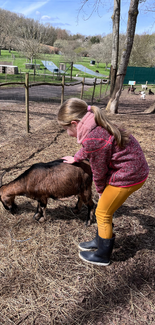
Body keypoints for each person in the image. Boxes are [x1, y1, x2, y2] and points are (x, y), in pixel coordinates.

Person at [57, 98, 149, 266]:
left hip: (129, 177)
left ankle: (102, 255)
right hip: (135, 170)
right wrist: (76, 157)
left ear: (74, 123)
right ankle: (100, 240)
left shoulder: (93, 138)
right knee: (104, 209)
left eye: (65, 129)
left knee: (102, 212)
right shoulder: (93, 123)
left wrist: (101, 191)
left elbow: (99, 172)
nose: (66, 133)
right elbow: (90, 149)